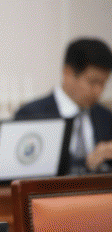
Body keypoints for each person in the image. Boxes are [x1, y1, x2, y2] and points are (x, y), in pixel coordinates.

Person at [15, 38, 112, 173]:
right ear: (68, 73)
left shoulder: (106, 117)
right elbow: (23, 166)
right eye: (92, 82)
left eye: (103, 83)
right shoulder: (31, 114)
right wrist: (88, 162)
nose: (98, 91)